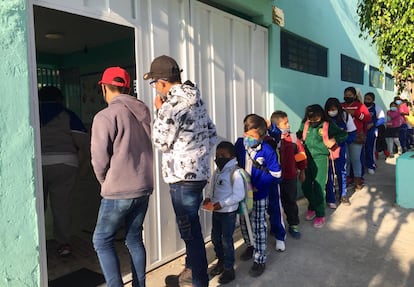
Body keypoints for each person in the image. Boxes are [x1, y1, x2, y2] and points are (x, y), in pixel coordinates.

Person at [144, 55, 217, 287]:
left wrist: (158, 112)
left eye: (154, 83)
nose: (155, 88)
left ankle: (198, 281)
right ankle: (191, 269)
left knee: (190, 232)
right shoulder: (197, 100)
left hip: (181, 179)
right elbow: (212, 133)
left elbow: (159, 141)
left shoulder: (170, 105)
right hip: (200, 175)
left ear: (163, 82)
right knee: (192, 226)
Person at [91, 67, 153, 287]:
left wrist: (105, 183)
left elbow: (98, 160)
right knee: (134, 238)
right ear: (126, 87)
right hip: (143, 186)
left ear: (105, 88)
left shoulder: (105, 116)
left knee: (101, 240)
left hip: (119, 190)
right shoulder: (144, 113)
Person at [39, 86, 88, 257]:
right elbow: (83, 144)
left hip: (38, 165)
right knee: (62, 206)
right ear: (59, 99)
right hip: (65, 164)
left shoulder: (31, 114)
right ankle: (63, 244)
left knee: (38, 206)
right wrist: (80, 168)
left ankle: (36, 243)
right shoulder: (68, 115)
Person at [235, 114, 282, 277]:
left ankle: (260, 259)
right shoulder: (240, 145)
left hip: (259, 194)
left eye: (252, 136)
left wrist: (258, 185)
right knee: (244, 220)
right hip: (242, 194)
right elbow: (235, 164)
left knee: (258, 225)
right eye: (246, 134)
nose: (247, 138)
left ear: (262, 136)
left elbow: (276, 174)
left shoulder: (267, 151)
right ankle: (250, 245)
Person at [297, 105, 348, 228]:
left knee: (319, 187)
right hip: (306, 158)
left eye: (316, 118)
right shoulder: (305, 124)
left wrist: (334, 139)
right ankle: (312, 206)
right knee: (305, 185)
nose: (314, 121)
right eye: (311, 118)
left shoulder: (327, 124)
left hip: (321, 158)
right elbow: (299, 134)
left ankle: (320, 214)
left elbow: (343, 134)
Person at [202, 141, 245, 284]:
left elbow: (239, 195)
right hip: (216, 211)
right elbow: (211, 186)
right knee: (215, 238)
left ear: (231, 156)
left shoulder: (236, 172)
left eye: (223, 155)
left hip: (228, 213)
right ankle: (220, 261)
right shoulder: (217, 171)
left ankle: (229, 269)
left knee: (227, 240)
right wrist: (208, 197)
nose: (219, 158)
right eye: (217, 155)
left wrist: (223, 204)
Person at [270, 110, 307, 239]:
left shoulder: (293, 138)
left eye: (288, 122)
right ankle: (275, 225)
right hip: (274, 179)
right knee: (274, 204)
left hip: (290, 177)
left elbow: (300, 156)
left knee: (290, 202)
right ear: (276, 125)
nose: (288, 125)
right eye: (285, 123)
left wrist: (302, 171)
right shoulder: (271, 140)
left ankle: (293, 224)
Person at [324, 98, 357, 206]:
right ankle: (330, 198)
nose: (331, 111)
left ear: (338, 108)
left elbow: (352, 134)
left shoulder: (345, 116)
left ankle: (343, 195)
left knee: (341, 171)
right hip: (326, 150)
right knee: (328, 173)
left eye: (334, 109)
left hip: (341, 149)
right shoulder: (324, 118)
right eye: (329, 109)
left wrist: (340, 140)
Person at [342, 87, 371, 190]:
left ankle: (358, 180)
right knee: (346, 160)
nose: (347, 97)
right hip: (343, 136)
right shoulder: (341, 105)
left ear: (354, 96)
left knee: (355, 159)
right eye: (346, 95)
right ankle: (345, 180)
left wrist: (356, 113)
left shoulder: (360, 106)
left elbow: (367, 118)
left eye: (350, 95)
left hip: (356, 136)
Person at [363, 92, 385, 175]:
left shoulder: (376, 108)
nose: (366, 100)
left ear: (373, 100)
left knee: (370, 149)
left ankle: (370, 166)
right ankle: (363, 165)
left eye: (369, 99)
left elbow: (382, 119)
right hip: (361, 131)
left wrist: (373, 124)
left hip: (371, 132)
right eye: (365, 99)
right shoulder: (362, 107)